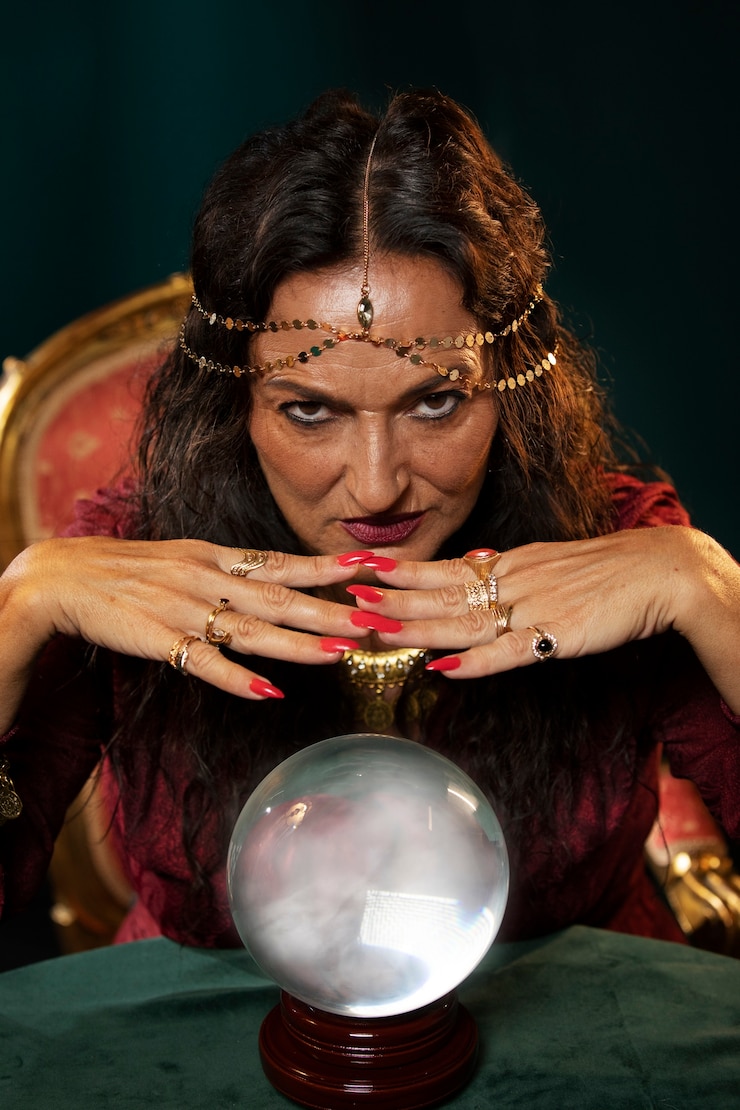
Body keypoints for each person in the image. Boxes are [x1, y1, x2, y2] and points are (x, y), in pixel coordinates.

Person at [0, 89, 738, 950]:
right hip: (202, 1023)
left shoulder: (619, 552)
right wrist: (16, 611)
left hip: (590, 1016)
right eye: (311, 411)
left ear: (511, 385)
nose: (379, 487)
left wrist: (714, 592)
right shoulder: (131, 566)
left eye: (435, 403)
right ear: (235, 404)